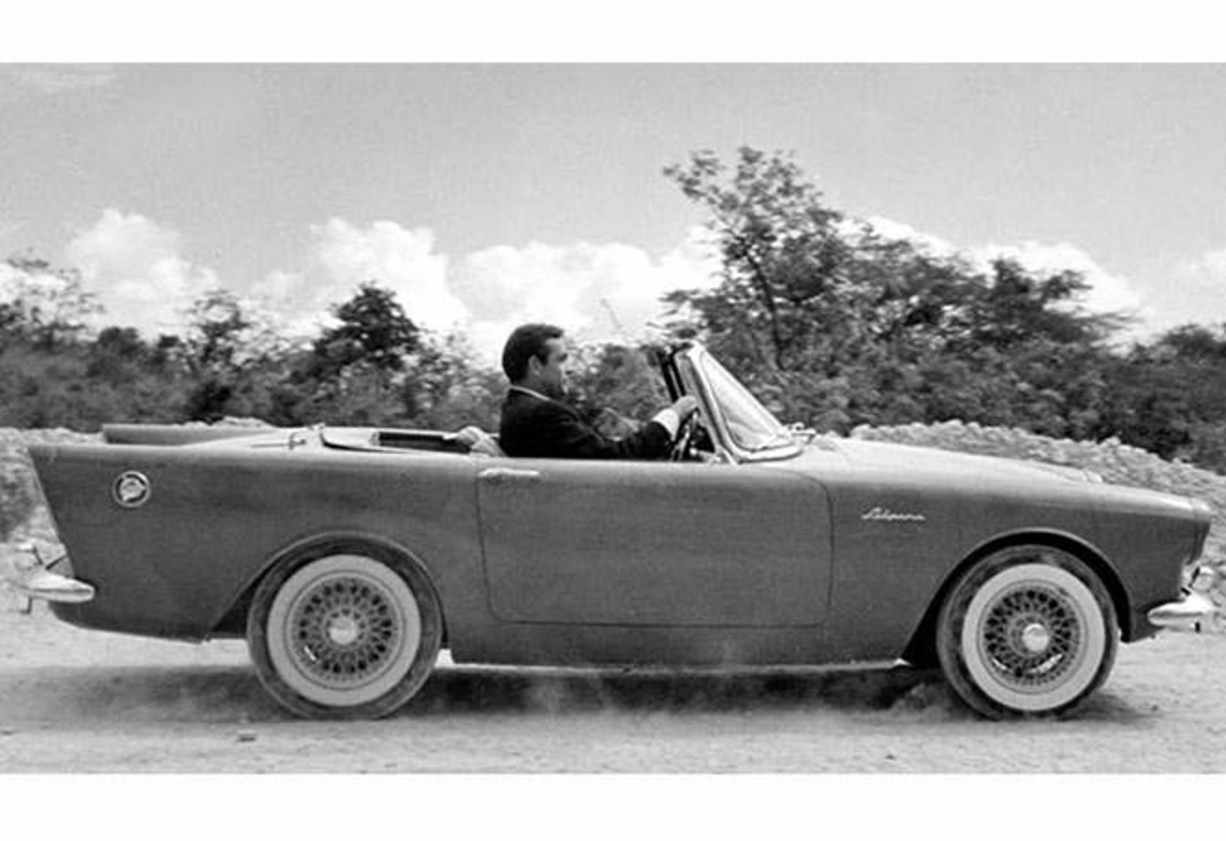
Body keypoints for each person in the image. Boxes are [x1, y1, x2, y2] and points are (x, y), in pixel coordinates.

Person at [495, 323, 698, 459]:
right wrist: (674, 414)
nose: (571, 368)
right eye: (562, 360)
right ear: (536, 365)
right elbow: (618, 457)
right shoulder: (543, 414)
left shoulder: (518, 408)